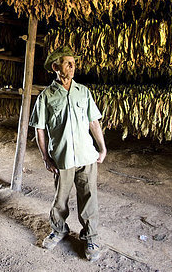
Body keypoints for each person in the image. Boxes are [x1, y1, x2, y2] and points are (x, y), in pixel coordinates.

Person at [29, 45, 107, 262]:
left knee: (88, 197)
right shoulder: (46, 96)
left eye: (74, 63)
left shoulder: (83, 92)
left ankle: (90, 236)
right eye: (67, 63)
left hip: (86, 155)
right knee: (60, 199)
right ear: (56, 67)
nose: (73, 67)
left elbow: (93, 121)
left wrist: (102, 147)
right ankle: (59, 229)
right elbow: (40, 129)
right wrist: (45, 157)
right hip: (62, 156)